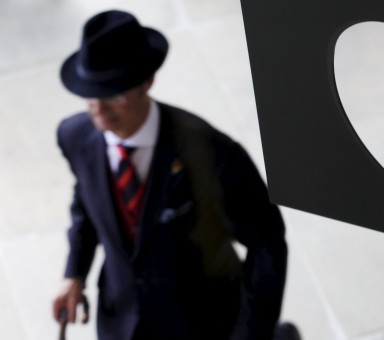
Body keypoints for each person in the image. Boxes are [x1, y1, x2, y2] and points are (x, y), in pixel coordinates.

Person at [51, 10, 296, 340]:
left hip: (205, 323)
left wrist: (252, 332)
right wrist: (74, 273)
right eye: (91, 94)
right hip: (121, 321)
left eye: (114, 95)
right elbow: (86, 204)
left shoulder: (213, 153)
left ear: (146, 83)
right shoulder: (75, 137)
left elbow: (267, 242)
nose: (99, 110)